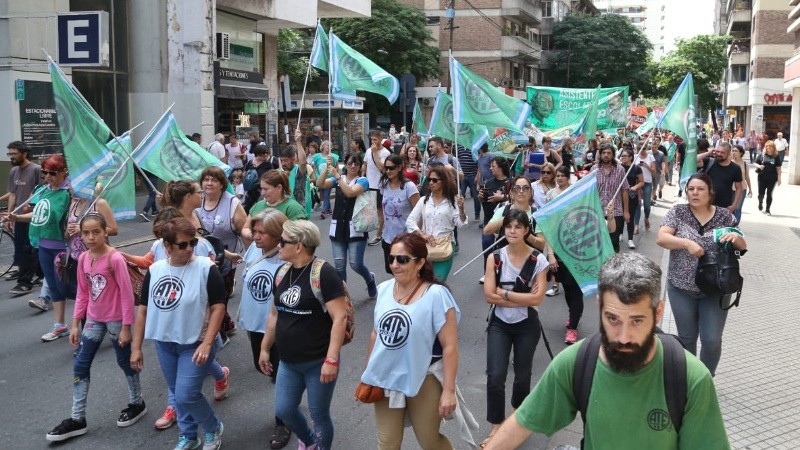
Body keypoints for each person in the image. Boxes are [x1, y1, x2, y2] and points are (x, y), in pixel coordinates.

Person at [483, 252, 730, 449]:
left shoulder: (690, 378)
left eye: (636, 321)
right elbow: (520, 424)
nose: (623, 337)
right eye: (612, 319)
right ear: (599, 307)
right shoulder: (577, 362)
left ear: (658, 313)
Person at [45, 214, 145, 442]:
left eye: (96, 232)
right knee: (80, 363)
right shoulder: (83, 259)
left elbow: (127, 295)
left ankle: (137, 402)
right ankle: (77, 418)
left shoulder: (115, 259)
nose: (90, 237)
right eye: (86, 233)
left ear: (105, 232)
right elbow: (82, 292)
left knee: (124, 361)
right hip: (93, 319)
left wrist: (126, 327)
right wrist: (74, 324)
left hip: (116, 320)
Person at [131, 218, 226, 450]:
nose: (190, 248)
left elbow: (219, 307)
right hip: (165, 342)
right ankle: (189, 436)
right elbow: (143, 310)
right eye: (183, 244)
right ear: (168, 246)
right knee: (177, 391)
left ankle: (213, 428)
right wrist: (136, 347)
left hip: (196, 341)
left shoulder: (206, 268)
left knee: (185, 395)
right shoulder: (155, 270)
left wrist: (207, 343)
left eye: (192, 242)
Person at [360, 232, 461, 450]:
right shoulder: (385, 289)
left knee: (430, 441)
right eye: (391, 258)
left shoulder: (437, 295)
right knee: (387, 443)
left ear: (420, 262)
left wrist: (449, 391)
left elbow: (450, 346)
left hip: (423, 378)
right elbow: (376, 334)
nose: (395, 264)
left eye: (402, 259)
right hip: (385, 378)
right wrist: (369, 373)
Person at [258, 220, 349, 450]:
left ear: (299, 246)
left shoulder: (324, 274)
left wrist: (331, 359)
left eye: (283, 241)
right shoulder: (281, 272)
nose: (278, 245)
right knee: (284, 410)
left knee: (319, 415)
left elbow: (340, 318)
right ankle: (309, 442)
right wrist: (265, 348)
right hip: (288, 361)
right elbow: (274, 314)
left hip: (318, 361)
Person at [657, 173, 747, 376]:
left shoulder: (724, 216)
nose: (695, 193)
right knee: (687, 337)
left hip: (716, 287)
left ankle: (705, 379)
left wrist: (735, 237)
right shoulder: (678, 212)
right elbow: (662, 238)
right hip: (681, 287)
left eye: (700, 189)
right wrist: (686, 243)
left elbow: (742, 246)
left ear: (710, 193)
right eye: (691, 189)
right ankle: (690, 380)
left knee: (711, 339)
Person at [481, 210, 547, 446]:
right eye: (509, 226)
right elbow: (489, 295)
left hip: (527, 325)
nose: (512, 231)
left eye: (518, 227)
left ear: (526, 230)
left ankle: (516, 422)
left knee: (522, 375)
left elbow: (537, 300)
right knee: (495, 375)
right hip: (500, 323)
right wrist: (521, 297)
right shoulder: (495, 258)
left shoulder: (538, 260)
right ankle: (496, 426)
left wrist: (505, 293)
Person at [237, 209, 293, 449]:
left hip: (278, 329)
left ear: (279, 235)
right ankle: (291, 391)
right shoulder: (254, 251)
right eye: (255, 231)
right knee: (263, 368)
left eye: (263, 233)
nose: (256, 236)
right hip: (254, 325)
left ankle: (284, 422)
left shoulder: (287, 260)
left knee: (281, 375)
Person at [10, 155, 72, 341]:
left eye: (52, 173)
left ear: (63, 172)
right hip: (44, 245)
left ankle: (90, 322)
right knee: (53, 287)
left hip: (63, 247)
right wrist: (17, 217)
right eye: (44, 172)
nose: (47, 176)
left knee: (72, 287)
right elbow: (38, 214)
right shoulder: (42, 190)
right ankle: (60, 326)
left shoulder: (70, 192)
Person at [316, 152, 378, 299]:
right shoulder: (339, 179)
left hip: (356, 227)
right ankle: (342, 295)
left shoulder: (362, 181)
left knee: (356, 264)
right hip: (338, 227)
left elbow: (350, 193)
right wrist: (327, 168)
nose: (353, 166)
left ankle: (370, 279)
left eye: (356, 164)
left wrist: (337, 177)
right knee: (339, 265)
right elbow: (319, 184)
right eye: (350, 163)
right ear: (346, 164)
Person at [406, 164, 467, 282]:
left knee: (438, 282)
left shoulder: (453, 201)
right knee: (423, 282)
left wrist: (461, 210)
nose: (431, 183)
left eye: (435, 180)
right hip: (425, 246)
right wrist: (422, 234)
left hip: (445, 245)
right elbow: (410, 221)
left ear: (443, 182)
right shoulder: (423, 200)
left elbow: (461, 224)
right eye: (429, 180)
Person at [196, 166, 247, 299]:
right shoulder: (196, 199)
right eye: (206, 180)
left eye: (214, 180)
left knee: (221, 297)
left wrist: (251, 259)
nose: (209, 183)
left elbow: (245, 232)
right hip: (202, 257)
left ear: (222, 184)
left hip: (227, 258)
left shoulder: (232, 202)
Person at [5, 141, 42, 296]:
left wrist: (31, 205)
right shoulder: (13, 171)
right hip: (19, 216)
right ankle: (41, 274)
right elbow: (12, 194)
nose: (11, 157)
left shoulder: (36, 170)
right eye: (10, 154)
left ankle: (25, 281)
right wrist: (9, 215)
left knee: (29, 248)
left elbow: (40, 191)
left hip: (32, 216)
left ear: (24, 153)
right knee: (23, 246)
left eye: (14, 153)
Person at [378, 154, 420, 274]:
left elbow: (419, 212)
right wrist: (380, 229)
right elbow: (383, 210)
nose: (388, 171)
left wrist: (417, 234)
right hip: (388, 237)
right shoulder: (384, 185)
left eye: (391, 168)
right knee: (390, 269)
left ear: (400, 167)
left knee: (404, 271)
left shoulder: (409, 187)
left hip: (406, 238)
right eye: (386, 168)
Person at [477, 157, 512, 281]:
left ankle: (504, 274)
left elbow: (516, 199)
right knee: (486, 245)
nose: (491, 168)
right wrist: (481, 197)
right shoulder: (488, 182)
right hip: (489, 219)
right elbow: (483, 201)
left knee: (503, 251)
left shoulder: (511, 183)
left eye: (493, 166)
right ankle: (488, 273)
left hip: (505, 223)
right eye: (490, 166)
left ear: (501, 167)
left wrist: (502, 197)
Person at [593, 143, 630, 253]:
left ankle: (613, 266)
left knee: (613, 241)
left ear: (613, 155)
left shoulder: (620, 170)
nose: (606, 155)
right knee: (599, 242)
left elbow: (624, 190)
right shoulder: (594, 170)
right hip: (598, 211)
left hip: (615, 212)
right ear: (600, 154)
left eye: (609, 153)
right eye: (604, 153)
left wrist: (626, 211)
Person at [696, 142, 743, 215]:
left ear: (728, 154)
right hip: (705, 204)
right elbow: (694, 160)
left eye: (722, 152)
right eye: (717, 151)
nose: (719, 154)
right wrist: (708, 153)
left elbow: (739, 188)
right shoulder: (709, 162)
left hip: (724, 207)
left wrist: (734, 205)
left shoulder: (735, 168)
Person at [364, 131, 390, 246]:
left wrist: (375, 153)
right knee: (368, 211)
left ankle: (378, 234)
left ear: (380, 139)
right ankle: (365, 233)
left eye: (375, 139)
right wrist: (362, 176)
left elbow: (382, 168)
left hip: (380, 185)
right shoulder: (368, 151)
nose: (373, 142)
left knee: (380, 211)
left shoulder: (385, 153)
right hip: (368, 184)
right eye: (372, 140)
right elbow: (365, 164)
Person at [619, 149, 644, 250]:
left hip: (631, 196)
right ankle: (620, 233)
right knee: (619, 216)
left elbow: (642, 182)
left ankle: (630, 239)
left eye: (625, 156)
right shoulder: (618, 168)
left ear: (630, 157)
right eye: (622, 156)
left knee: (630, 217)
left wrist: (635, 187)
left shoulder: (636, 168)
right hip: (619, 196)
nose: (623, 157)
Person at [283, 129, 311, 218]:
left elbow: (303, 162)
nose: (283, 163)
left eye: (286, 160)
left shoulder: (298, 171)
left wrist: (298, 141)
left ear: (293, 159)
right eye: (281, 161)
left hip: (299, 212)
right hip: (284, 211)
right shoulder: (279, 172)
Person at [242, 143, 277, 213]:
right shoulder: (250, 162)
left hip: (261, 189)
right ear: (258, 154)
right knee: (248, 207)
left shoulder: (268, 164)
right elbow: (244, 173)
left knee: (259, 208)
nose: (266, 155)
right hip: (250, 190)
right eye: (263, 153)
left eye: (267, 153)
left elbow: (272, 175)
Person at [754, 140, 782, 216]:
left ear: (773, 148)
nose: (768, 148)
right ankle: (760, 202)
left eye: (770, 146)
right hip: (762, 177)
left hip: (772, 178)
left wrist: (779, 179)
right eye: (767, 146)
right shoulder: (762, 155)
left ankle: (767, 210)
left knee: (769, 194)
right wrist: (759, 166)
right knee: (761, 194)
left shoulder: (776, 157)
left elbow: (778, 168)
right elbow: (755, 163)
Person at [312, 140, 339, 218]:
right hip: (320, 179)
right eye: (327, 145)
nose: (328, 147)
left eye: (330, 145)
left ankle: (324, 211)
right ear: (323, 146)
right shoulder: (317, 157)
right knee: (323, 195)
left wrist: (334, 173)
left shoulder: (333, 156)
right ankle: (329, 209)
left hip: (330, 179)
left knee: (326, 194)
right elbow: (314, 168)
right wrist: (315, 177)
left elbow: (337, 167)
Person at [633, 142, 656, 232]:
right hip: (638, 183)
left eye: (642, 149)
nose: (640, 151)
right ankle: (636, 225)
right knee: (637, 204)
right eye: (638, 149)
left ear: (645, 149)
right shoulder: (635, 157)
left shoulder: (650, 157)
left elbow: (654, 171)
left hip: (647, 183)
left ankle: (646, 218)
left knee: (647, 205)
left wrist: (646, 166)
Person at [456, 142, 480, 222]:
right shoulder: (459, 146)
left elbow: (478, 160)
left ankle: (477, 214)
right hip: (463, 176)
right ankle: (459, 215)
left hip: (472, 175)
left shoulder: (474, 145)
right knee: (460, 195)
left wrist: (477, 175)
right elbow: (458, 159)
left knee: (476, 197)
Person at [730, 145, 752, 223]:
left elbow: (747, 177)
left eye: (736, 151)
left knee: (738, 208)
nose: (734, 153)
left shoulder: (745, 164)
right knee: (731, 208)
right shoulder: (729, 163)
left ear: (741, 153)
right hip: (730, 189)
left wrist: (750, 189)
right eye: (733, 151)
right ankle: (730, 224)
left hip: (741, 189)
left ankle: (735, 225)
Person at [651, 136, 668, 201]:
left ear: (657, 147)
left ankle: (654, 194)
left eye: (655, 147)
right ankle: (652, 197)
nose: (654, 148)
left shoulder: (661, 154)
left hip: (657, 172)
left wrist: (663, 170)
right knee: (650, 186)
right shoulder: (648, 153)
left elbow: (663, 162)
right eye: (652, 147)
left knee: (655, 186)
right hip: (649, 172)